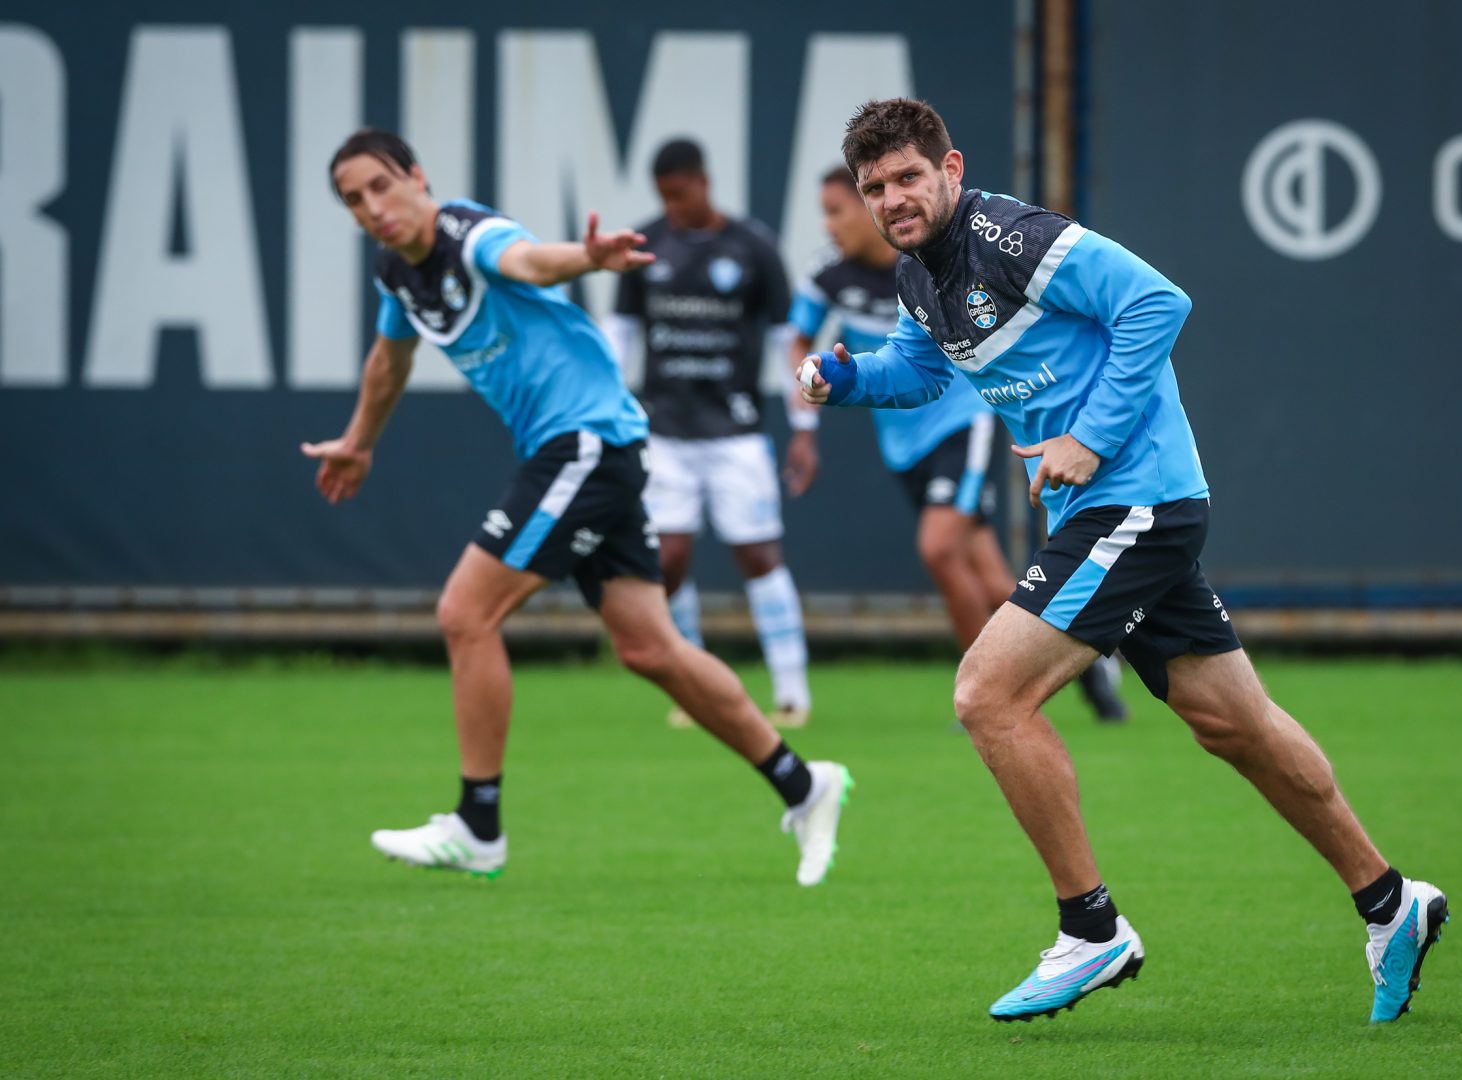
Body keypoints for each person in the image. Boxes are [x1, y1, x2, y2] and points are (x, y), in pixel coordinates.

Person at [799, 99, 1447, 1023]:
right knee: (1235, 725)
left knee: (987, 694)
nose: (893, 199)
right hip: (1112, 509)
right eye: (875, 188)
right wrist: (849, 380)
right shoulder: (917, 274)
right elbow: (924, 370)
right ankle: (1391, 902)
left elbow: (1156, 302)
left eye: (908, 176)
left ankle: (1091, 929)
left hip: (1134, 498)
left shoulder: (1013, 236)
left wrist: (1091, 439)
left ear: (951, 168)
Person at [302, 128, 851, 887]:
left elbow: (527, 260)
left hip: (586, 442)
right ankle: (804, 784)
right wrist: (358, 442)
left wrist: (588, 257)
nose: (371, 207)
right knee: (651, 650)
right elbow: (388, 361)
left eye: (380, 185)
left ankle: (478, 824)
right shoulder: (396, 272)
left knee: (465, 613)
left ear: (417, 178)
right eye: (353, 200)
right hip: (587, 448)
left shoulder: (466, 233)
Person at [788, 166, 1129, 723]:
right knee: (990, 577)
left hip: (960, 422)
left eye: (837, 211)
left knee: (939, 548)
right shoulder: (827, 273)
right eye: (871, 193)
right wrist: (805, 408)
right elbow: (798, 338)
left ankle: (990, 692)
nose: (831, 225)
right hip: (902, 439)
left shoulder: (925, 258)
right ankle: (1092, 668)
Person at [607, 139, 812, 729]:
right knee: (668, 558)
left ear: (703, 182)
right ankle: (694, 686)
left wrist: (804, 426)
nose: (672, 208)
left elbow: (786, 343)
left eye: (679, 194)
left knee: (758, 555)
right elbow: (619, 335)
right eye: (663, 198)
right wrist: (605, 408)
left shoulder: (753, 247)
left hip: (735, 434)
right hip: (664, 433)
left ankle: (792, 693)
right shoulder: (646, 244)